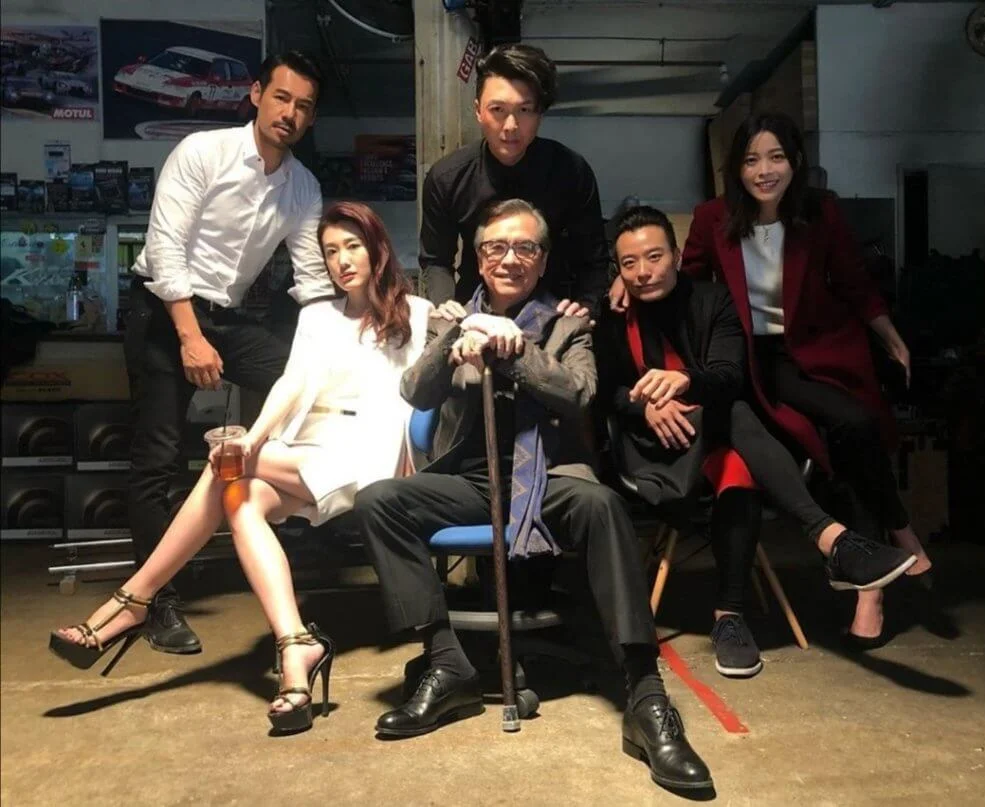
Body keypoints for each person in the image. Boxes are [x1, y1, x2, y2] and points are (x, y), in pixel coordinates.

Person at [354, 198, 713, 794]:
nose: (510, 259)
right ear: (479, 259)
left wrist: (517, 350)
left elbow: (579, 392)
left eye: (525, 248)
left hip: (551, 480)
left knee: (602, 506)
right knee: (379, 502)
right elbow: (415, 391)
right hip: (471, 480)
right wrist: (457, 338)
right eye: (496, 247)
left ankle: (646, 697)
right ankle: (447, 664)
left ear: (542, 261)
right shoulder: (451, 319)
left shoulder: (569, 325)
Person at [50, 202, 434, 735]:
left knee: (224, 469)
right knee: (241, 497)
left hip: (368, 452)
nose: (342, 261)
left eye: (352, 246)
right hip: (311, 447)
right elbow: (292, 384)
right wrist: (254, 439)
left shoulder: (418, 312)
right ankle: (296, 646)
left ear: (377, 249)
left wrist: (477, 322)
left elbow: (466, 339)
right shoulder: (317, 316)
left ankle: (134, 599)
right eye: (330, 252)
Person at [609, 112, 933, 645]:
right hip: (752, 356)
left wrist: (889, 335)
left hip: (819, 347)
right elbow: (682, 277)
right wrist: (627, 277)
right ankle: (868, 559)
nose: (764, 170)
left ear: (795, 161)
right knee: (807, 433)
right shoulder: (714, 217)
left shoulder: (820, 211)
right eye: (751, 159)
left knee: (856, 427)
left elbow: (854, 281)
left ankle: (885, 540)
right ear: (736, 168)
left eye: (776, 157)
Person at [122, 51, 338, 655]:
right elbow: (166, 249)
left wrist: (349, 339)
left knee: (305, 379)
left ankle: (293, 521)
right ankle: (152, 603)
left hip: (227, 317)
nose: (289, 113)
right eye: (281, 98)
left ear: (311, 117)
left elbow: (311, 279)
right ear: (256, 94)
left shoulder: (302, 186)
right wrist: (190, 337)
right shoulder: (202, 152)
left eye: (303, 106)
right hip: (162, 312)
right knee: (159, 454)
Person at [420, 43, 609, 321]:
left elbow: (593, 257)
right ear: (478, 111)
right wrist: (444, 305)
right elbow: (436, 260)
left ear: (539, 113)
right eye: (497, 109)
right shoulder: (447, 177)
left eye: (524, 110)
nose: (510, 125)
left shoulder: (571, 171)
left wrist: (586, 305)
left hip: (555, 312)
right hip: (473, 314)